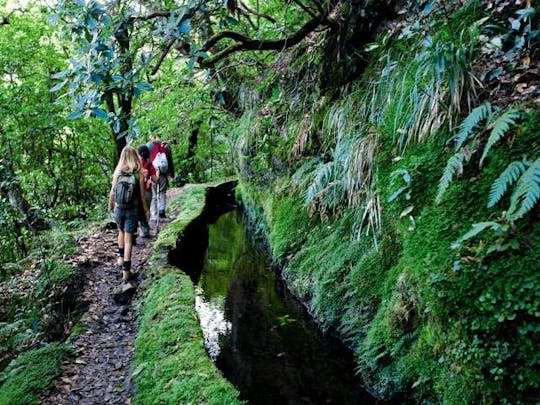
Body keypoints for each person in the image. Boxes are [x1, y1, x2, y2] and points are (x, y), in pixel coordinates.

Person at [108, 146, 149, 282]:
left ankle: (120, 259)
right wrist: (146, 211)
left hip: (119, 208)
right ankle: (126, 271)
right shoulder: (139, 174)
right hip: (132, 210)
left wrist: (111, 206)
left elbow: (112, 192)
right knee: (129, 239)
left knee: (120, 232)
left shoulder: (118, 172)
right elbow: (143, 197)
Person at [147, 135, 174, 222]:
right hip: (163, 173)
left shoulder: (149, 145)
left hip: (153, 172)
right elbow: (170, 160)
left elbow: (146, 159)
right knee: (162, 192)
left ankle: (154, 214)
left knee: (153, 194)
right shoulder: (166, 145)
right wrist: (172, 173)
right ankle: (162, 212)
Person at [137, 144, 158, 238]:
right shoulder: (149, 164)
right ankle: (144, 231)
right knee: (146, 210)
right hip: (146, 190)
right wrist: (157, 173)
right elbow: (155, 180)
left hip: (136, 190)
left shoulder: (136, 163)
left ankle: (133, 232)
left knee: (137, 209)